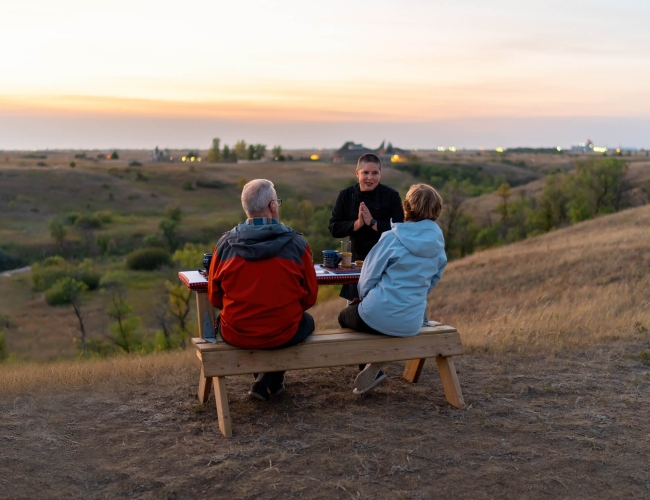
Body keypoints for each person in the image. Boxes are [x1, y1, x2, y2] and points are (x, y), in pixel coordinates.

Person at [207, 179, 318, 401]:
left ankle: (266, 381)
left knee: (267, 326)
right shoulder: (297, 245)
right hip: (282, 331)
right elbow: (310, 297)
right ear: (272, 206)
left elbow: (214, 298)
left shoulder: (224, 245)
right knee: (305, 322)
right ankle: (271, 379)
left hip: (236, 332)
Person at [338, 183, 447, 395]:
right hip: (412, 322)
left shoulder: (392, 238)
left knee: (345, 317)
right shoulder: (438, 245)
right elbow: (432, 281)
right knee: (373, 318)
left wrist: (361, 298)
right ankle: (376, 363)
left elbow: (368, 277)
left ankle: (371, 363)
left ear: (406, 207)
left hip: (377, 314)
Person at [328, 153, 404, 302]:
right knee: (353, 311)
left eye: (375, 173)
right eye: (365, 173)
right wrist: (356, 224)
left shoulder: (391, 196)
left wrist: (373, 223)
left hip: (385, 265)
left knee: (381, 310)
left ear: (380, 174)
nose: (370, 178)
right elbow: (334, 228)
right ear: (357, 173)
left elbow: (400, 230)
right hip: (355, 265)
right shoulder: (346, 195)